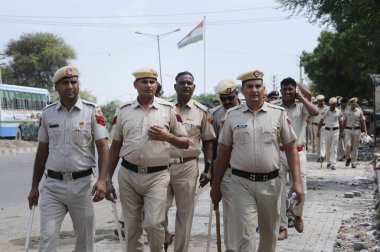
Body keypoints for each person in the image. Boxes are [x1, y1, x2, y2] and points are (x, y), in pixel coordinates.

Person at [210, 69, 304, 252]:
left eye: (258, 86)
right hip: (241, 184)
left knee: (269, 236)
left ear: (264, 89)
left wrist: (297, 183)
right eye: (249, 86)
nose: (254, 90)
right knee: (246, 236)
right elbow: (223, 152)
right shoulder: (232, 116)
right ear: (242, 91)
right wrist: (216, 186)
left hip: (271, 184)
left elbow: (291, 149)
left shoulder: (278, 114)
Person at [27, 66, 110, 252]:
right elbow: (42, 152)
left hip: (82, 187)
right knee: (47, 241)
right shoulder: (47, 114)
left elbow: (104, 147)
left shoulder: (92, 111)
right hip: (52, 187)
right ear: (56, 87)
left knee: (85, 243)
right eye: (65, 83)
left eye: (74, 82)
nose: (70, 86)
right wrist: (34, 187)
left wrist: (102, 181)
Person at [106, 67, 189, 252]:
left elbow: (185, 142)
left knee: (154, 223)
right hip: (128, 175)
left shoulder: (168, 109)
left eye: (152, 82)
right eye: (144, 82)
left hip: (157, 176)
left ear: (156, 85)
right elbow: (115, 147)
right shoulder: (123, 110)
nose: (149, 85)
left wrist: (166, 136)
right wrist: (107, 180)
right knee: (132, 227)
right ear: (135, 85)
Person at [163, 71, 215, 252]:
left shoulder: (202, 112)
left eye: (189, 83)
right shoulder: (164, 108)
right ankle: (164, 236)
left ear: (194, 87)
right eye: (182, 83)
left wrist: (208, 169)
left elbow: (209, 141)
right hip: (162, 166)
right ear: (175, 87)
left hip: (187, 166)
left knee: (184, 215)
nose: (186, 85)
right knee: (157, 211)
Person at [275, 78, 318, 240]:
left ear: (295, 90)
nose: (287, 92)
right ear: (280, 90)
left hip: (298, 153)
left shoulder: (301, 106)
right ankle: (282, 226)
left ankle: (297, 215)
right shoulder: (276, 107)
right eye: (284, 89)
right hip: (279, 153)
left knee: (302, 189)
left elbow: (315, 112)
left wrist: (301, 98)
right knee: (278, 192)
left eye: (290, 89)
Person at [208, 78, 241, 251]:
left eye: (231, 97)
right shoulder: (215, 114)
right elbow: (212, 146)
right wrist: (213, 175)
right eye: (224, 99)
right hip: (227, 171)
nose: (227, 102)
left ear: (237, 93)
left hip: (249, 171)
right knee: (231, 215)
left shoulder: (249, 109)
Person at [318, 97, 343, 170]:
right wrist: (318, 130)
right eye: (331, 104)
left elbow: (341, 122)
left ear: (335, 104)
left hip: (335, 131)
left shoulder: (338, 111)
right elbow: (321, 121)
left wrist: (341, 133)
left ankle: (333, 164)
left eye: (334, 104)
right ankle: (328, 162)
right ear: (329, 104)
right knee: (327, 147)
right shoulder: (325, 111)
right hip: (327, 131)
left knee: (334, 148)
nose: (332, 106)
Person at [343, 97, 367, 168]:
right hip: (348, 130)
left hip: (357, 130)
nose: (354, 104)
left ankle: (354, 162)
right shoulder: (346, 111)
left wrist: (365, 130)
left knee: (355, 147)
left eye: (355, 102)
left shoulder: (359, 111)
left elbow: (363, 122)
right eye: (352, 102)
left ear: (356, 103)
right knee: (347, 145)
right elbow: (344, 121)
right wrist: (342, 131)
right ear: (350, 104)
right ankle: (348, 158)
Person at [311, 95, 328, 162]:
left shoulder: (327, 108)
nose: (321, 102)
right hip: (315, 125)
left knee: (323, 141)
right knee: (317, 141)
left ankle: (322, 155)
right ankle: (318, 156)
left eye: (322, 100)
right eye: (319, 101)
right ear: (317, 101)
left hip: (324, 126)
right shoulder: (314, 108)